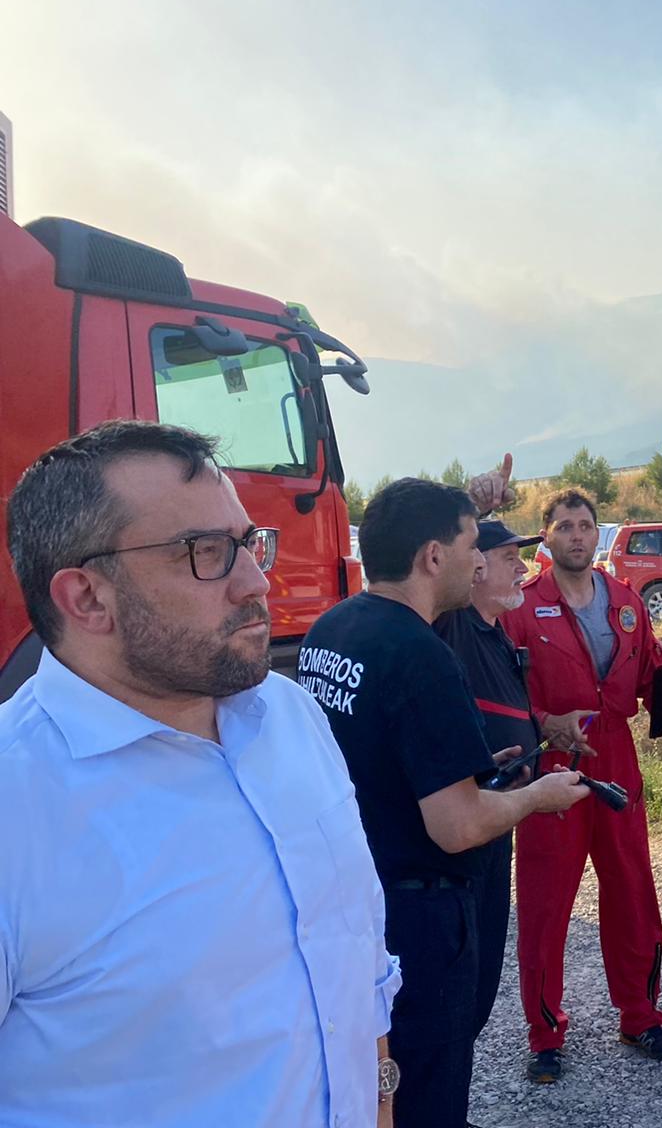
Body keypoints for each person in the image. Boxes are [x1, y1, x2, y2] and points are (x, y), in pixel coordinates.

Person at [0, 420, 401, 1127]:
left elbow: (356, 954)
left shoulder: (291, 718)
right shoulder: (18, 802)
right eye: (206, 553)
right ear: (87, 598)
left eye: (248, 543)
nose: (256, 581)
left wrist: (381, 1094)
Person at [301, 478, 591, 1128]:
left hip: (356, 894)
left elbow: (379, 752)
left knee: (377, 1083)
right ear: (434, 557)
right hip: (420, 918)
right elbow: (458, 826)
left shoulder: (333, 629)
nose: (478, 561)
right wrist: (538, 796)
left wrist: (470, 771)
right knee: (428, 1089)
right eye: (470, 546)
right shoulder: (422, 655)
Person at [499, 486, 662, 1083]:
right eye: (565, 526)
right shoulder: (521, 608)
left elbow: (655, 673)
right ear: (546, 537)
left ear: (597, 534)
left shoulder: (626, 601)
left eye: (586, 525)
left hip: (616, 755)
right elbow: (496, 695)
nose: (577, 535)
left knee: (633, 890)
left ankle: (640, 1015)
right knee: (545, 901)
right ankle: (545, 1033)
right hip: (551, 764)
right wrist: (539, 726)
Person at [433, 519, 592, 1042]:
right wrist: (473, 507)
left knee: (478, 983)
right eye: (508, 559)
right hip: (466, 830)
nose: (523, 569)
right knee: (458, 987)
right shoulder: (455, 623)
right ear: (474, 566)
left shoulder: (497, 632)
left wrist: (547, 730)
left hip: (496, 818)